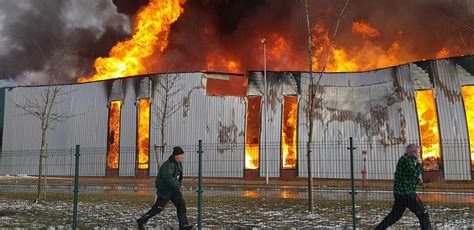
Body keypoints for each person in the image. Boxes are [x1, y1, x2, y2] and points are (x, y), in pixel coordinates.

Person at [375, 144, 431, 230]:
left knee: (395, 215)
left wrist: (417, 180)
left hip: (400, 193)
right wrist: (420, 164)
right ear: (413, 153)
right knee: (423, 213)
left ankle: (379, 228)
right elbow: (414, 173)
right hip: (407, 193)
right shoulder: (406, 160)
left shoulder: (407, 160)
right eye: (418, 152)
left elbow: (408, 175)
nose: (419, 155)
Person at [137, 146, 193, 230]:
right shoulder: (168, 165)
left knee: (181, 204)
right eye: (181, 155)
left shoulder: (178, 164)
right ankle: (142, 220)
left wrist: (178, 186)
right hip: (165, 190)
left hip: (173, 190)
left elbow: (177, 177)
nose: (182, 157)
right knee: (158, 209)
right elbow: (169, 178)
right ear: (176, 156)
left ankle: (183, 225)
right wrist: (179, 186)